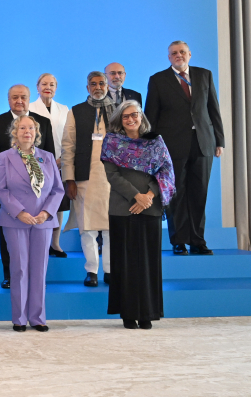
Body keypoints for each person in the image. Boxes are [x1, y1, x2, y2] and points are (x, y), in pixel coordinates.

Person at [144, 41, 223, 256]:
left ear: (189, 54)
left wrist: (220, 141)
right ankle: (178, 241)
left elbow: (213, 109)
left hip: (203, 143)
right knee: (175, 193)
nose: (178, 55)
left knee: (200, 193)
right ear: (168, 57)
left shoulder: (204, 75)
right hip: (171, 147)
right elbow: (151, 115)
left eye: (182, 52)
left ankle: (198, 240)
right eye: (173, 53)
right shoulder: (158, 80)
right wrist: (152, 148)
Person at [103, 100, 175, 329]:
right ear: (119, 120)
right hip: (122, 208)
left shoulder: (156, 141)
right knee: (125, 263)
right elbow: (112, 176)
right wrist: (136, 196)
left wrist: (150, 196)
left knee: (148, 263)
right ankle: (127, 313)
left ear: (141, 116)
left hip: (150, 208)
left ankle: (148, 313)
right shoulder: (112, 142)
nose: (131, 119)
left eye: (135, 114)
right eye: (126, 116)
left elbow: (166, 171)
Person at [0, 115, 66, 332]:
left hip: (42, 221)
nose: (27, 131)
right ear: (14, 132)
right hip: (15, 221)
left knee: (39, 270)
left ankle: (38, 317)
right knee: (19, 269)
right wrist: (20, 212)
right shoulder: (3, 158)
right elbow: (1, 189)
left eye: (31, 128)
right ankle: (19, 318)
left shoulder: (48, 157)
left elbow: (57, 190)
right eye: (23, 127)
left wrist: (46, 213)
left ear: (37, 133)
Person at [0, 85, 55, 289]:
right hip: (7, 193)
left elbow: (49, 157)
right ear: (8, 100)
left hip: (40, 194)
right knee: (8, 237)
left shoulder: (44, 123)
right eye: (15, 97)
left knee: (38, 237)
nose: (19, 101)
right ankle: (10, 275)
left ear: (29, 98)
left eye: (23, 97)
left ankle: (36, 277)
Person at [61, 72, 115, 287]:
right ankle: (91, 270)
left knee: (110, 227)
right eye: (93, 84)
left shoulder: (118, 111)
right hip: (84, 178)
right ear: (87, 88)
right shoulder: (76, 111)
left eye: (101, 83)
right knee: (88, 228)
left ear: (107, 85)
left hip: (112, 180)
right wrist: (69, 179)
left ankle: (110, 270)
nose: (98, 87)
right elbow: (67, 146)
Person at [28, 73, 71, 258]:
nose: (48, 87)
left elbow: (69, 137)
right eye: (44, 84)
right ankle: (38, 243)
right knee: (37, 202)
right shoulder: (29, 109)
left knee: (58, 203)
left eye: (52, 84)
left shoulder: (64, 109)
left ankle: (55, 243)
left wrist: (62, 160)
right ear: (37, 87)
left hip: (60, 162)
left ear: (56, 88)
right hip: (35, 163)